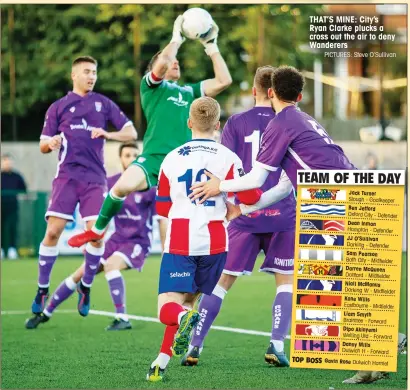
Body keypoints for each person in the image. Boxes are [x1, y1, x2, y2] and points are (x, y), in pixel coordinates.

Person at [67, 15, 232, 249]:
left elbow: (224, 80)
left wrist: (211, 45)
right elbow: (164, 61)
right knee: (120, 187)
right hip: (154, 158)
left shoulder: (189, 91)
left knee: (178, 221)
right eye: (170, 61)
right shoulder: (152, 87)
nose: (175, 62)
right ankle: (97, 231)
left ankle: (198, 257)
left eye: (177, 61)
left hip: (182, 162)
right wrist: (177, 38)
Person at [182, 66, 296, 368]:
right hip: (282, 214)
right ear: (274, 91)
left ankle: (194, 346)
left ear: (256, 91)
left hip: (243, 217)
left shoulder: (236, 122)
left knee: (221, 283)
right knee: (286, 283)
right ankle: (276, 345)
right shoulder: (290, 121)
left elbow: (222, 168)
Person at [146, 97, 262, 382]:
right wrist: (237, 208)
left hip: (182, 240)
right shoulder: (229, 158)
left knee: (168, 308)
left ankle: (178, 333)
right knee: (187, 304)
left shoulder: (171, 159)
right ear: (217, 125)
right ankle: (160, 363)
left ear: (189, 123)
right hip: (216, 244)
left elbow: (162, 208)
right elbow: (251, 196)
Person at [31, 56, 137, 319]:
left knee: (97, 236)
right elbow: (43, 145)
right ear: (74, 75)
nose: (92, 76)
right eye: (87, 72)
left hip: (94, 180)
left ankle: (86, 287)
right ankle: (42, 288)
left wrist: (108, 134)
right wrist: (51, 143)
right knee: (53, 231)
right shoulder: (59, 107)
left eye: (94, 72)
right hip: (66, 178)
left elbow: (131, 133)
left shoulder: (103, 104)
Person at [25, 143, 166, 330]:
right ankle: (45, 313)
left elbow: (161, 221)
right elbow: (102, 216)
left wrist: (166, 251)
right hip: (115, 239)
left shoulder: (150, 186)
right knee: (79, 274)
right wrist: (93, 239)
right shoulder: (112, 183)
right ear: (121, 159)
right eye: (127, 155)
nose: (131, 158)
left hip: (137, 242)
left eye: (134, 155)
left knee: (111, 266)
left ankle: (122, 317)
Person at [188, 65, 356, 215]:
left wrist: (220, 185)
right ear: (299, 97)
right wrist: (242, 209)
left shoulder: (281, 122)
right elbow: (284, 187)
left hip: (331, 195)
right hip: (360, 190)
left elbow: (256, 179)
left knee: (319, 248)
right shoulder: (306, 120)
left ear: (270, 93)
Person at [1, 154, 27, 259]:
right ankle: (2, 250)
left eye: (9, 161)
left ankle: (12, 249)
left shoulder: (17, 176)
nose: (7, 163)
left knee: (12, 228)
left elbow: (24, 190)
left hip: (13, 207)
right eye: (5, 161)